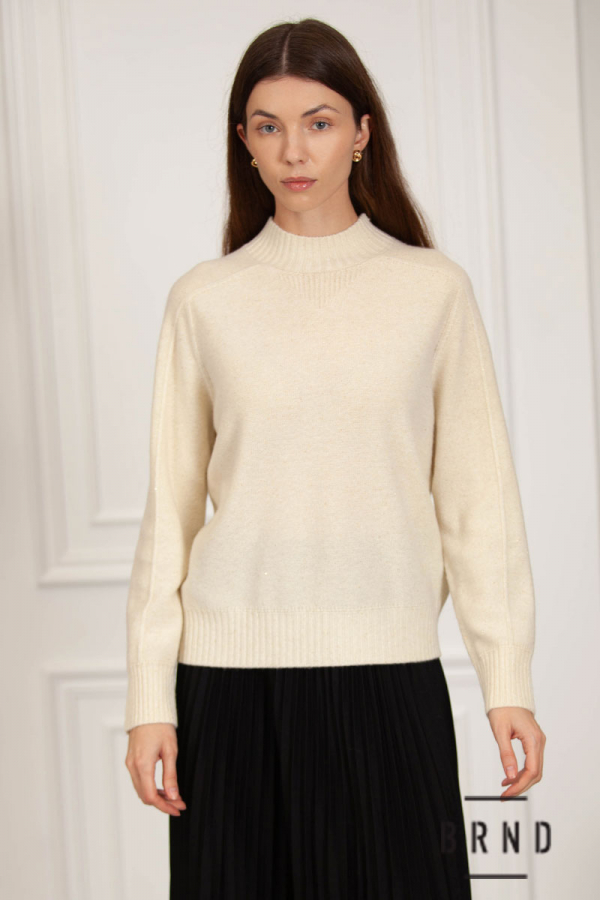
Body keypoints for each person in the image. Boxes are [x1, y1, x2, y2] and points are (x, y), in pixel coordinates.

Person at [124, 17, 546, 899]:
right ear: (243, 142)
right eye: (268, 126)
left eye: (318, 122)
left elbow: (479, 503)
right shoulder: (205, 300)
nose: (294, 150)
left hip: (389, 677)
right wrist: (149, 702)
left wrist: (505, 679)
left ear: (361, 133)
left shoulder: (432, 290)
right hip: (227, 690)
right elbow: (170, 515)